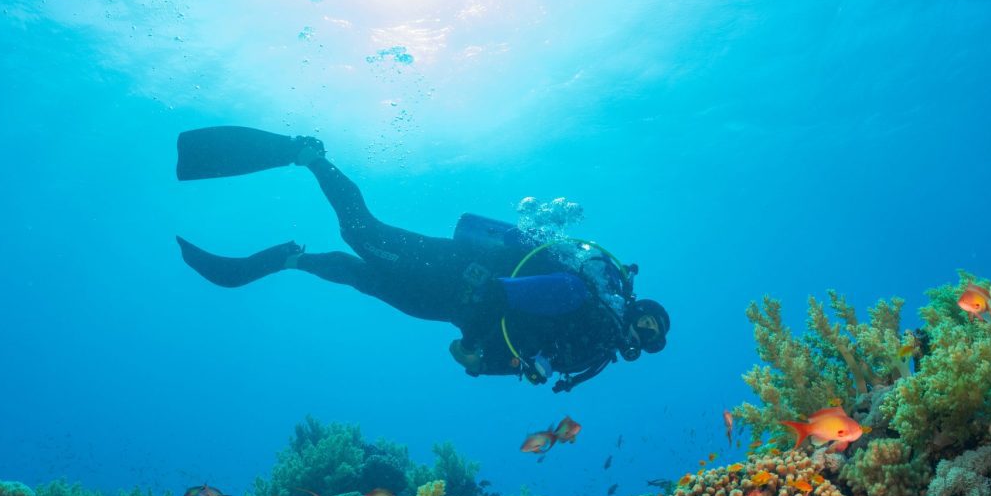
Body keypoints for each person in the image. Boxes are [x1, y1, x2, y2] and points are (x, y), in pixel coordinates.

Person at [173, 126, 669, 392]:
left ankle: (289, 259)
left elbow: (512, 355)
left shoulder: (592, 354)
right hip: (457, 271)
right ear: (635, 306)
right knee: (362, 232)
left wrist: (475, 360)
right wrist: (495, 296)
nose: (642, 336)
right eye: (647, 323)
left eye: (651, 342)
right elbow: (557, 291)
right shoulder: (592, 300)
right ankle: (309, 154)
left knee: (358, 275)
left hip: (452, 308)